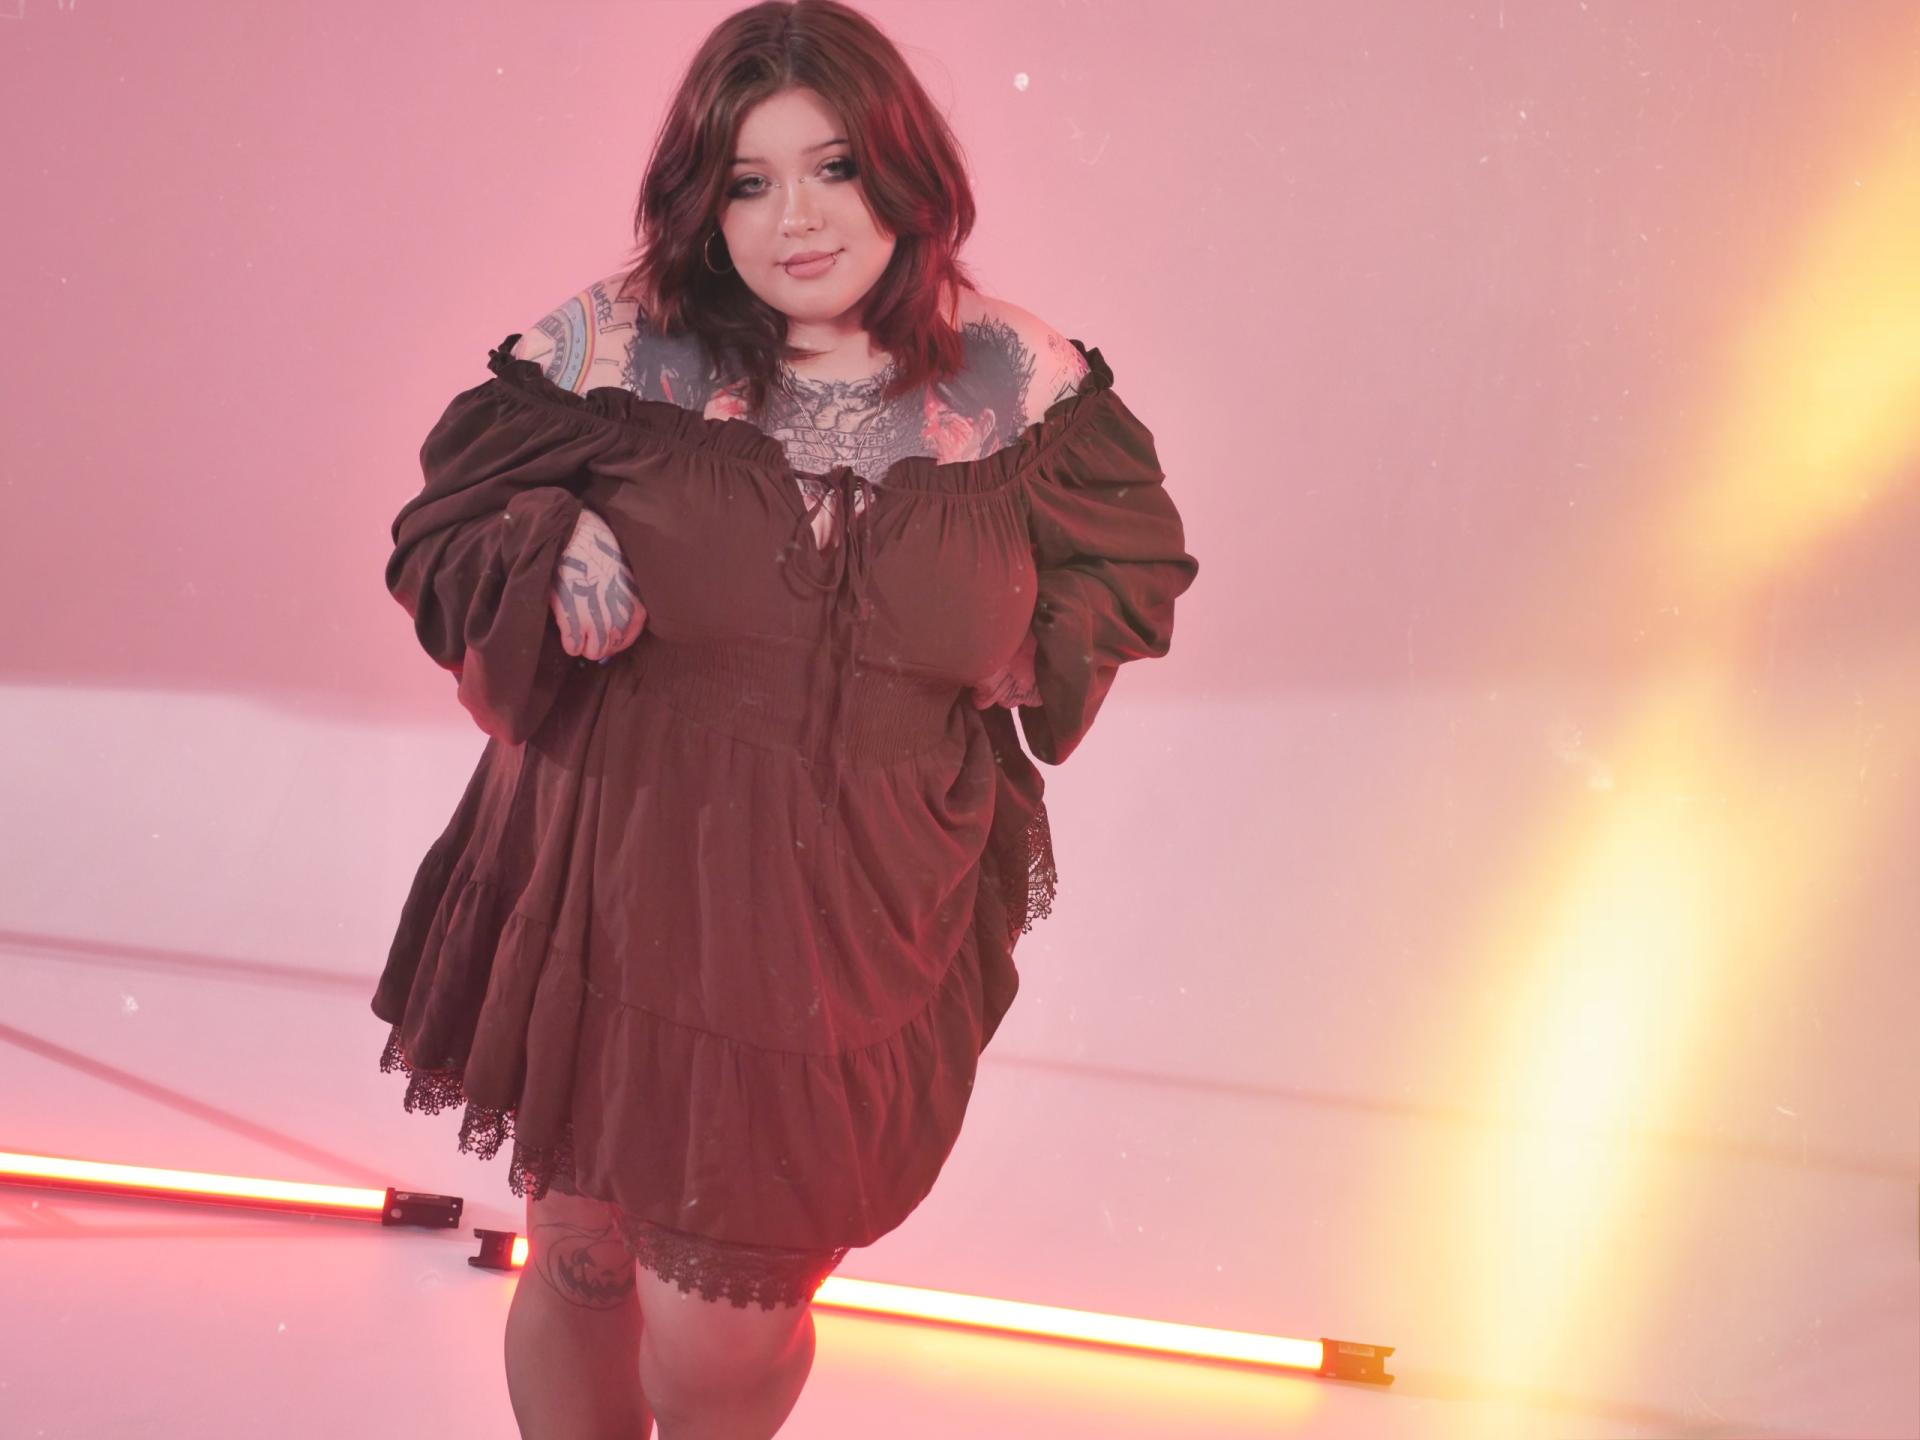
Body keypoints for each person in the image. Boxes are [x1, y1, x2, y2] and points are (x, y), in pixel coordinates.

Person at [370, 2, 1198, 1435]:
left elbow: (1131, 560)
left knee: (727, 1337)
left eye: (834, 168)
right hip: (613, 866)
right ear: (703, 201)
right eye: (748, 182)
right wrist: (544, 534)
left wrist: (1031, 644)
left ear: (905, 171)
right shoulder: (617, 349)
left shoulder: (1016, 380)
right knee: (581, 1260)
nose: (794, 220)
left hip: (848, 918)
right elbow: (439, 534)